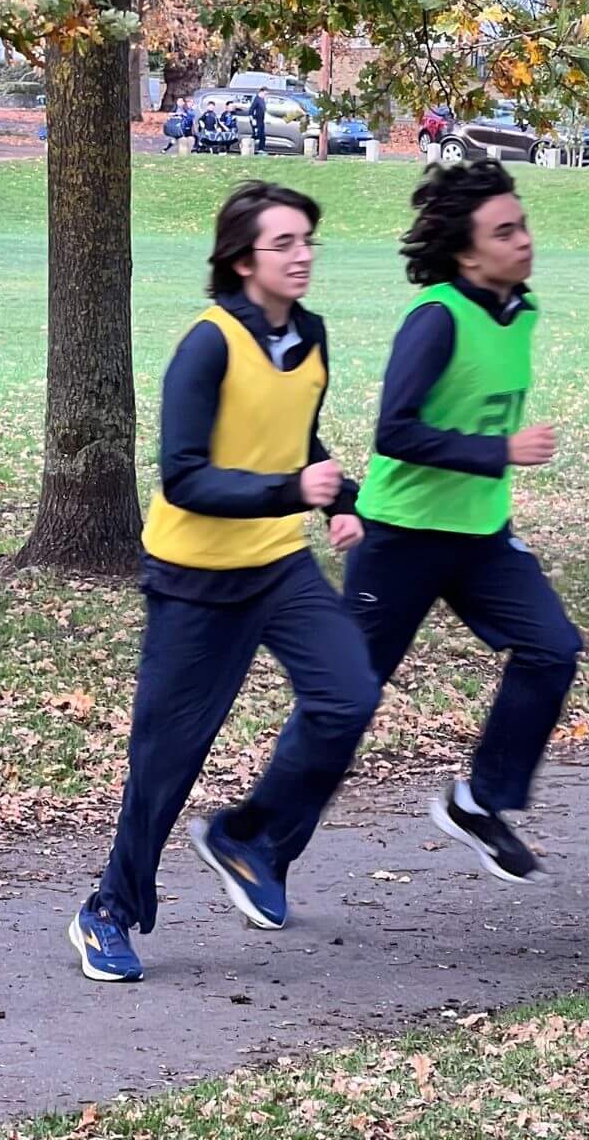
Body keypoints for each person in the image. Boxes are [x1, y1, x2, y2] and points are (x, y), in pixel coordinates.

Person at [69, 180, 378, 983]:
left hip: (278, 564)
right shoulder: (207, 345)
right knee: (166, 759)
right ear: (243, 260)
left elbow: (298, 440)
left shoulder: (309, 336)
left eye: (308, 239)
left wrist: (342, 501)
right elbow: (183, 478)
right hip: (195, 577)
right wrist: (293, 493)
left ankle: (251, 838)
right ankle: (107, 909)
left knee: (349, 693)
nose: (303, 254)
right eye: (285, 244)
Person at [345, 160, 582, 883]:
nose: (524, 241)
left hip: (480, 535)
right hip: (402, 534)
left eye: (525, 225)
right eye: (504, 232)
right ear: (466, 251)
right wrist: (500, 450)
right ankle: (258, 841)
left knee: (552, 646)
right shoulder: (436, 318)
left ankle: (481, 801)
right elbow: (395, 433)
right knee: (345, 697)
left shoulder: (522, 310)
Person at [249, 88, 268, 156]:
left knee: (262, 136)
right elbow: (251, 110)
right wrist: (252, 120)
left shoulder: (262, 100)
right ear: (261, 92)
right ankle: (249, 147)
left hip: (261, 120)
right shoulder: (256, 100)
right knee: (257, 135)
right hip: (256, 120)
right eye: (265, 94)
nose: (265, 95)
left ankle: (261, 150)